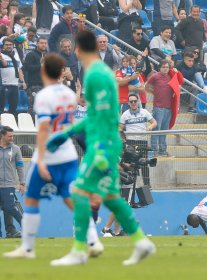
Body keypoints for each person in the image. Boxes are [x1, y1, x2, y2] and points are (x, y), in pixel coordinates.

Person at [46, 31, 155, 266]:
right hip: (105, 141)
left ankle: (80, 250)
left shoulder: (95, 75)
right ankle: (140, 241)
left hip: (102, 143)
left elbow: (100, 116)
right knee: (109, 196)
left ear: (78, 50)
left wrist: (65, 133)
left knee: (79, 191)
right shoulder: (100, 73)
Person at [3, 53, 102, 260]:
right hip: (68, 153)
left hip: (49, 153)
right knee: (70, 198)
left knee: (30, 198)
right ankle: (92, 239)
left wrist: (40, 160)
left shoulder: (43, 96)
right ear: (61, 72)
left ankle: (27, 246)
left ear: (43, 71)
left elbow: (44, 129)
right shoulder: (67, 94)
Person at [145, 59, 184, 157]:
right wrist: (154, 92)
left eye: (167, 67)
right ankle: (154, 151)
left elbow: (181, 81)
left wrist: (176, 71)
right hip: (158, 107)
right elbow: (146, 86)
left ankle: (163, 151)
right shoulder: (155, 76)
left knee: (164, 130)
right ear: (159, 68)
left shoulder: (171, 75)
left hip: (168, 108)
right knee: (156, 129)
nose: (166, 69)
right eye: (163, 67)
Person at [120, 93, 157, 187]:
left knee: (144, 163)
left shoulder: (144, 112)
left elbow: (154, 122)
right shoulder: (125, 114)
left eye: (135, 101)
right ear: (128, 103)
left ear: (138, 102)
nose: (133, 103)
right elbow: (119, 128)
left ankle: (147, 184)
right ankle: (127, 183)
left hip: (142, 142)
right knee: (129, 164)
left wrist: (150, 127)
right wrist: (123, 138)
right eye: (131, 101)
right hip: (131, 143)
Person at [0, 126, 24, 238]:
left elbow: (20, 167)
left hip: (9, 184)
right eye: (9, 136)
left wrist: (22, 183)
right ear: (3, 135)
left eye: (13, 136)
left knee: (9, 207)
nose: (12, 138)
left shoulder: (15, 149)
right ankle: (9, 232)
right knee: (6, 208)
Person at [0, 37, 26, 121]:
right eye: (6, 45)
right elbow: (4, 64)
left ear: (13, 45)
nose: (8, 46)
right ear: (3, 46)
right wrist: (2, 58)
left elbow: (19, 69)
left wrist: (23, 81)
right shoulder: (1, 55)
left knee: (13, 108)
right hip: (4, 86)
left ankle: (12, 127)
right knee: (1, 108)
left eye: (10, 45)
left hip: (15, 85)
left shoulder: (15, 54)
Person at [23, 36, 47, 116]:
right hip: (35, 86)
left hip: (46, 86)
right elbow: (27, 68)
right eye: (42, 43)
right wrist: (40, 66)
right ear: (37, 44)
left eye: (45, 43)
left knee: (44, 109)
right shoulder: (31, 55)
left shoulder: (47, 55)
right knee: (34, 109)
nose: (44, 45)